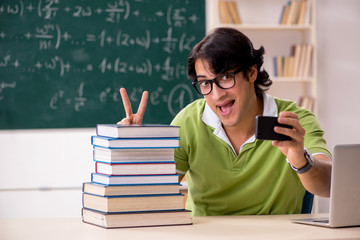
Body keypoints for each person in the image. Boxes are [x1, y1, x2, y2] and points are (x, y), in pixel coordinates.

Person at [118, 27, 332, 216]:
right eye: (205, 83)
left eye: (225, 78)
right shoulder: (188, 122)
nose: (216, 94)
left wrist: (301, 160)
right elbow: (150, 196)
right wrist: (135, 152)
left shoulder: (293, 121)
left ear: (251, 72)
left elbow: (331, 185)